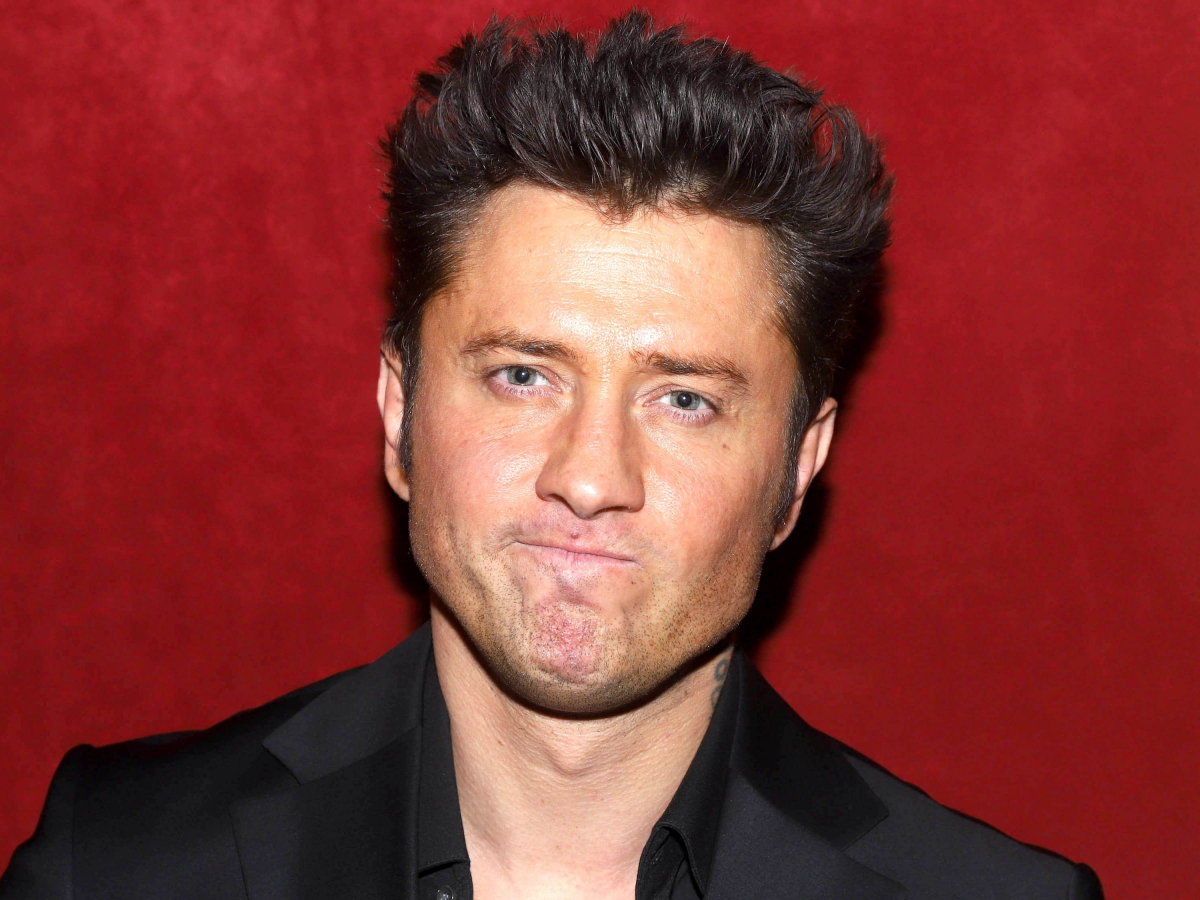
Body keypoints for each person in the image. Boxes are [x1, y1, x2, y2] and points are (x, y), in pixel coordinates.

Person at [0, 12, 1103, 900]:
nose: (589, 477)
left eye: (684, 400)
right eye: (524, 375)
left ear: (797, 471)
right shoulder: (119, 865)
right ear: (399, 412)